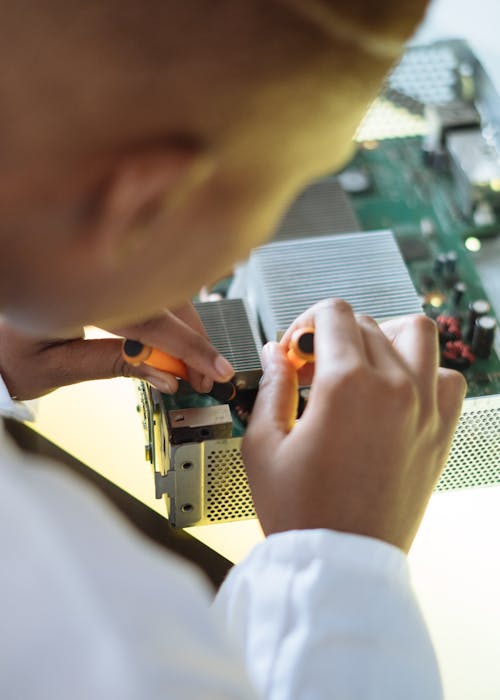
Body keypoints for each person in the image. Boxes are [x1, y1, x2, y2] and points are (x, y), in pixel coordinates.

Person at [0, 1, 466, 698]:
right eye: (284, 192)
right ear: (147, 208)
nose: (259, 243)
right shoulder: (103, 637)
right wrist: (338, 560)